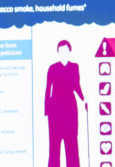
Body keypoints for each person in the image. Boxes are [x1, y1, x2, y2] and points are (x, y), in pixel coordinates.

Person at [45, 39, 86, 167]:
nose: (63, 52)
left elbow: (76, 85)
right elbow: (48, 90)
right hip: (55, 110)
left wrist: (84, 99)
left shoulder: (74, 67)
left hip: (70, 109)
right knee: (54, 146)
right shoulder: (52, 68)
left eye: (66, 50)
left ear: (69, 51)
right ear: (58, 51)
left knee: (72, 144)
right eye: (61, 50)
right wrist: (46, 112)